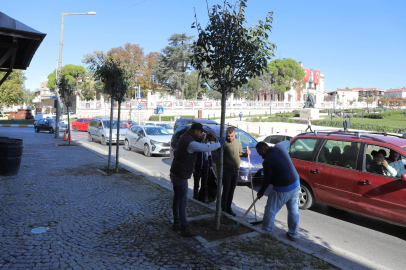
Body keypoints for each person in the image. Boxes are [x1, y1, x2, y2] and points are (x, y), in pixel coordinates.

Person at [170, 123, 225, 237]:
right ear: (196, 131)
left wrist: (202, 139)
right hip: (181, 174)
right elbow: (206, 148)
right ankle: (184, 228)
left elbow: (196, 145)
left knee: (177, 198)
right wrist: (219, 143)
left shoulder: (185, 137)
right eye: (201, 132)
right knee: (182, 201)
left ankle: (176, 222)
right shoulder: (190, 142)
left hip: (175, 172)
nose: (202, 134)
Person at [256, 141, 300, 241]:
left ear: (264, 149)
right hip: (296, 183)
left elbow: (266, 180)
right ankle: (293, 234)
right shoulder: (280, 147)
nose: (259, 155)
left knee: (270, 211)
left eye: (259, 152)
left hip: (283, 189)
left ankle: (266, 234)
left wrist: (260, 192)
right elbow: (288, 142)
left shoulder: (267, 161)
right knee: (293, 210)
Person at [218, 126, 251, 216]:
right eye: (228, 136)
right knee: (226, 190)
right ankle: (223, 209)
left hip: (235, 171)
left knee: (232, 191)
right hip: (226, 170)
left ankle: (228, 208)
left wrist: (246, 153)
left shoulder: (238, 142)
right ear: (226, 135)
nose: (230, 138)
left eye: (232, 136)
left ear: (234, 134)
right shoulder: (223, 143)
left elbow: (240, 153)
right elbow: (218, 158)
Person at [193, 137, 213, 203]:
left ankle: (202, 197)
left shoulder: (207, 143)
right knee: (196, 182)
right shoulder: (196, 143)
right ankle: (195, 196)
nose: (203, 136)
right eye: (202, 134)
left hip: (205, 166)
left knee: (204, 183)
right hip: (197, 166)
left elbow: (209, 155)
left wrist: (211, 165)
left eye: (204, 135)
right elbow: (193, 155)